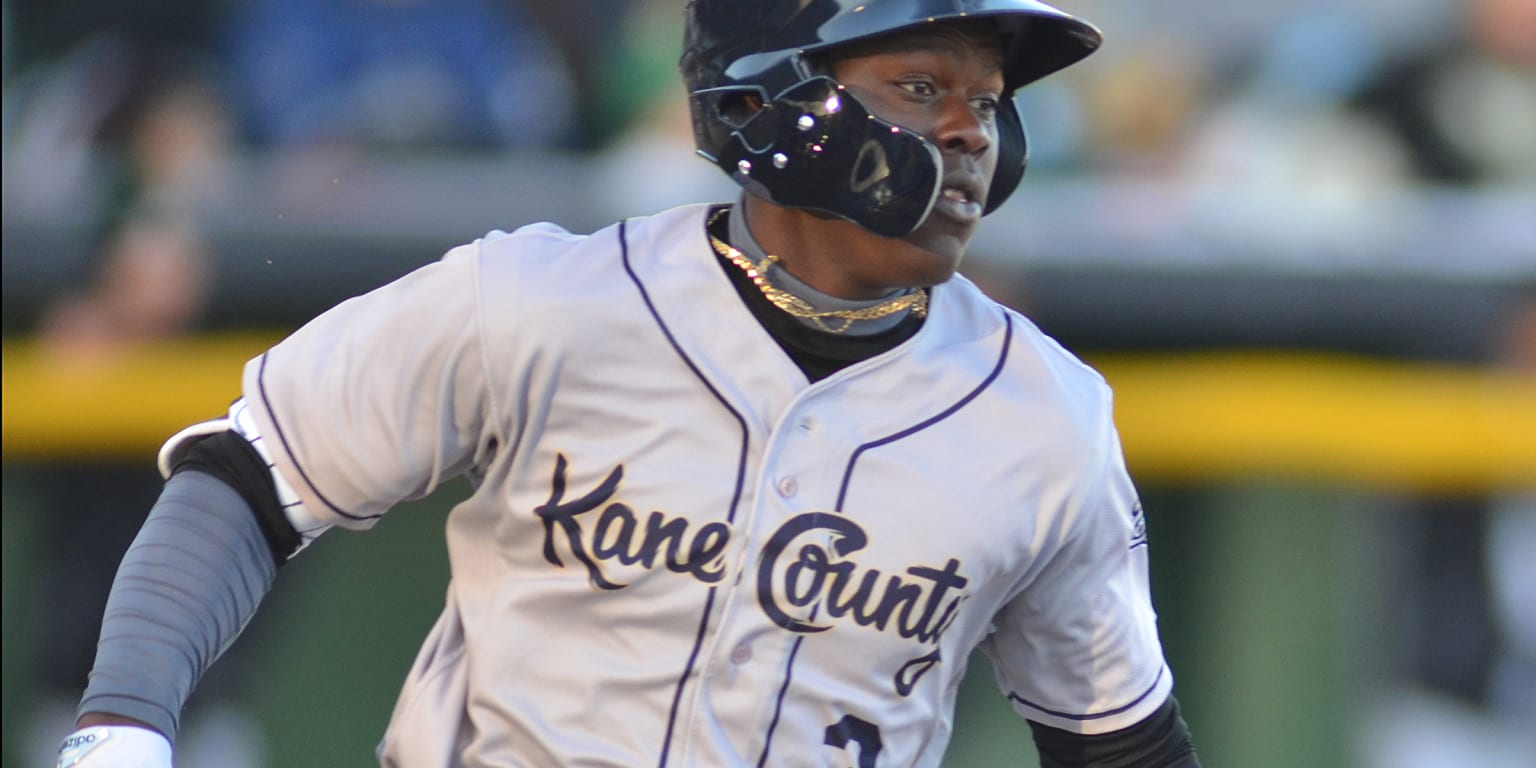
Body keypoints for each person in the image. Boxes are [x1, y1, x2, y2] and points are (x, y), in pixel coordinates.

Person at [56, 1, 1200, 766]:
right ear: (778, 101)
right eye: (921, 87)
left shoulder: (1044, 417)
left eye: (989, 103)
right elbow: (247, 477)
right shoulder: (546, 301)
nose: (969, 134)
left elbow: (1118, 735)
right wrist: (124, 724)